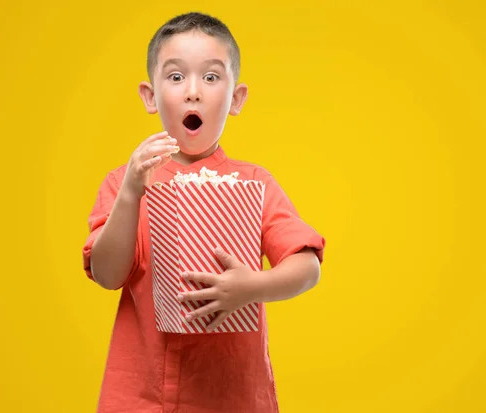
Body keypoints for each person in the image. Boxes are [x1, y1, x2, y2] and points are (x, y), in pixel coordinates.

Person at [82, 11, 326, 413]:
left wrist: (252, 287)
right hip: (139, 397)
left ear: (236, 99)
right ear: (150, 95)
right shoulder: (123, 182)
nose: (193, 91)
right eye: (176, 77)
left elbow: (307, 268)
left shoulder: (255, 184)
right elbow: (108, 275)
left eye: (211, 77)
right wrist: (130, 194)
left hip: (232, 398)